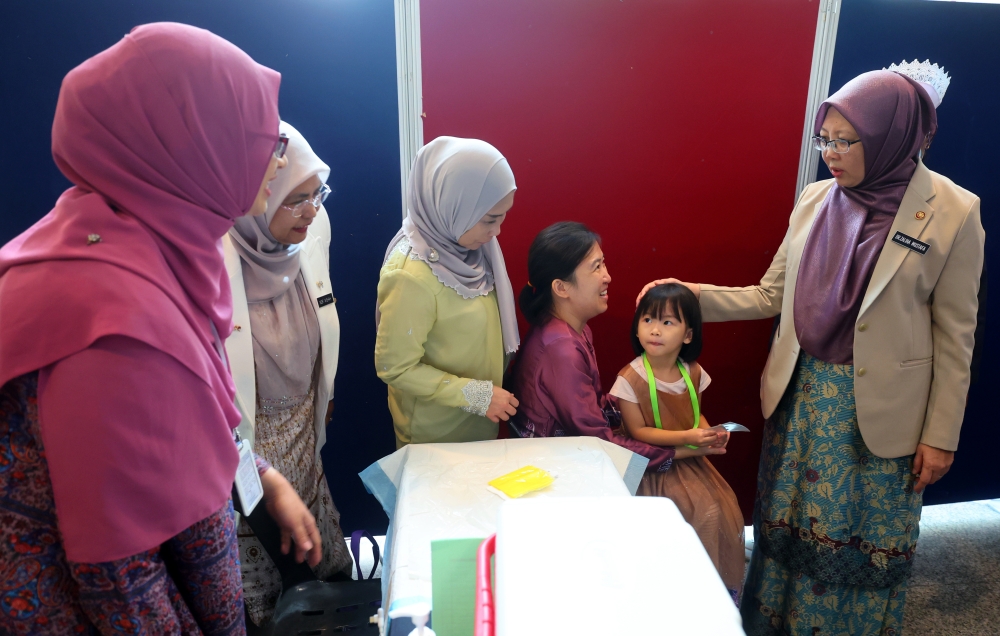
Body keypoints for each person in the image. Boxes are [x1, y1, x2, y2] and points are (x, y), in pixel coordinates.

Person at [639, 63, 984, 634]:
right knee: (788, 528)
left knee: (861, 538)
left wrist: (940, 435)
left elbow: (955, 337)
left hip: (883, 413)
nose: (831, 155)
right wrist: (687, 294)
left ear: (889, 136)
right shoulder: (816, 199)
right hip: (803, 398)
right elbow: (771, 295)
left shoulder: (954, 212)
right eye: (825, 139)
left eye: (846, 141)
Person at [0, 23, 321, 635]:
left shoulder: (147, 243)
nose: (278, 160)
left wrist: (261, 478)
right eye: (264, 140)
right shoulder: (114, 319)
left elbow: (200, 418)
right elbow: (118, 578)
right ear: (194, 144)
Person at [223, 121, 353, 626]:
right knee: (269, 602)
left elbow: (322, 312)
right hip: (246, 452)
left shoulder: (312, 230)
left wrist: (325, 389)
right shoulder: (210, 260)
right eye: (296, 200)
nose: (313, 210)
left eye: (317, 193)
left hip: (304, 436)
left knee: (321, 577)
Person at [508, 222, 726, 474]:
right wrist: (681, 452)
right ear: (561, 287)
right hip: (556, 470)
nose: (607, 277)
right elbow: (599, 443)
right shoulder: (562, 349)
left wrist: (645, 391)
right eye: (596, 267)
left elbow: (593, 409)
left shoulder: (572, 330)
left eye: (603, 263)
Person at [376, 137, 520, 447]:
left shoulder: (473, 250)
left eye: (503, 217)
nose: (497, 232)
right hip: (433, 437)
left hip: (479, 424)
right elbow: (395, 368)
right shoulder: (411, 276)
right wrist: (476, 395)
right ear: (453, 205)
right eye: (489, 220)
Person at [610, 283, 744, 604]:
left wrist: (709, 432)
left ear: (688, 335)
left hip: (691, 461)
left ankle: (707, 596)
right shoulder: (630, 379)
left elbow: (696, 415)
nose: (655, 330)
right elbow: (639, 432)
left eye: (667, 322)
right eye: (647, 320)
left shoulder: (693, 372)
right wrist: (689, 437)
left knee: (721, 510)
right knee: (678, 519)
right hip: (651, 467)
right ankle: (666, 597)